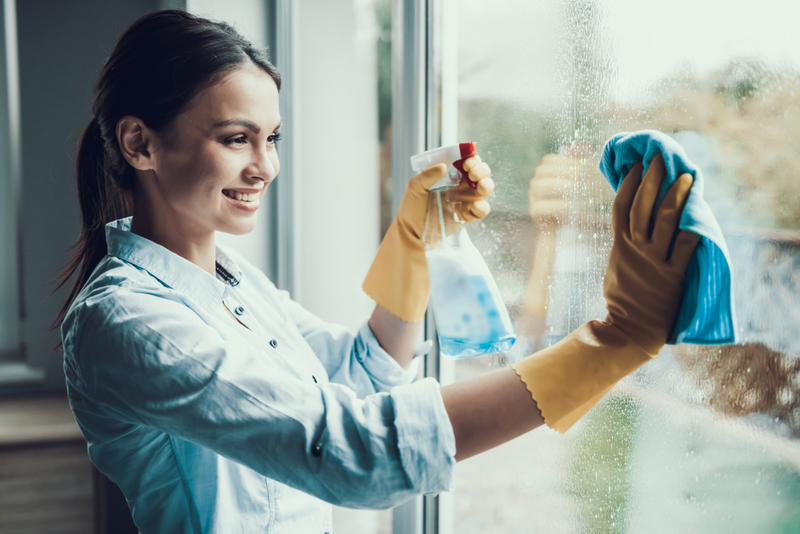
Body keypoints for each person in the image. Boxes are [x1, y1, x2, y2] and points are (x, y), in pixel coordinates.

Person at [57, 10, 699, 534]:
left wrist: (416, 236)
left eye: (272, 138)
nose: (265, 167)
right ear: (141, 143)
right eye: (235, 139)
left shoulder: (234, 283)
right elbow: (355, 455)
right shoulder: (129, 321)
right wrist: (614, 340)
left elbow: (363, 373)